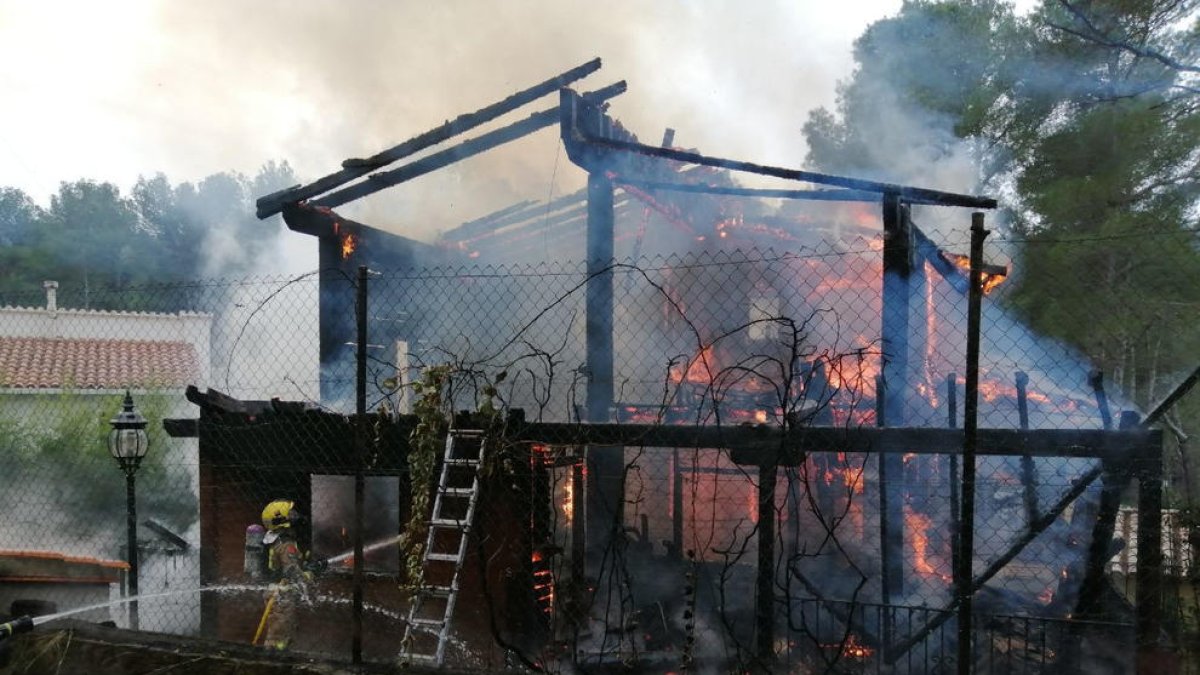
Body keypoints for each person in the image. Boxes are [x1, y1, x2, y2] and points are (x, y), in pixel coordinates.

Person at [258, 499, 312, 650]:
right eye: (291, 514)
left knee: (283, 633)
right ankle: (274, 661)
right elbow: (293, 573)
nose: (296, 516)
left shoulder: (272, 538)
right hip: (281, 597)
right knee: (278, 637)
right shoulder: (286, 544)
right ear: (281, 519)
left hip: (276, 594)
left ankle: (280, 657)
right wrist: (311, 573)